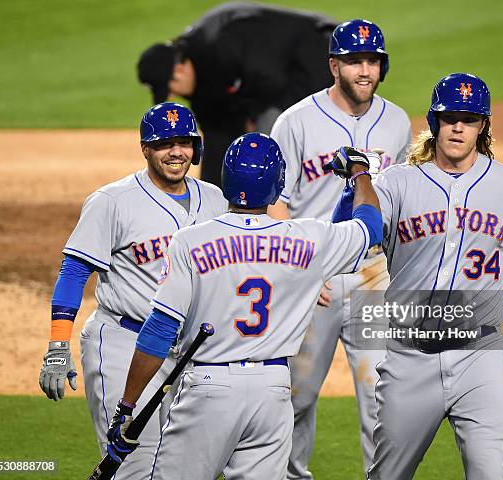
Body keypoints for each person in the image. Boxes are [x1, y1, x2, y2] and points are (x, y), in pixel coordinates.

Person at [104, 134, 383, 479]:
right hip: (273, 390)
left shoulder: (190, 241)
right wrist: (358, 174)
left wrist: (126, 406)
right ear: (278, 183)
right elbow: (367, 228)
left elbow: (160, 330)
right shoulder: (311, 240)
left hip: (207, 387)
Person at [364, 73, 503, 479]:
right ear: (435, 121)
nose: (458, 126)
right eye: (450, 116)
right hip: (409, 357)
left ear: (483, 125)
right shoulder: (395, 183)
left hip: (480, 357)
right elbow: (356, 233)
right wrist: (357, 181)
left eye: (469, 118)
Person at [38, 102, 227, 478]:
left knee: (188, 468)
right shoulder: (113, 201)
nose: (176, 152)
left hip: (191, 351)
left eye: (184, 142)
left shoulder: (216, 200)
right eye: (164, 144)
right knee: (134, 469)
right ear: (145, 148)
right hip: (126, 344)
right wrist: (58, 345)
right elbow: (75, 271)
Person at [267, 19, 411, 478]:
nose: (364, 70)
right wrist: (300, 270)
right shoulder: (296, 122)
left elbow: (406, 202)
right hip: (316, 277)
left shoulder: (398, 122)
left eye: (372, 61)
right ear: (334, 66)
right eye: (354, 62)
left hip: (374, 278)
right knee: (297, 392)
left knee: (381, 393)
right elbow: (275, 203)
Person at [137, 2, 337, 187]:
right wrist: (212, 193)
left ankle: (283, 202)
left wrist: (250, 116)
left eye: (171, 88)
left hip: (318, 54)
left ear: (179, 70)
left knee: (267, 132)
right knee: (243, 129)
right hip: (281, 77)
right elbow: (217, 137)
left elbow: (271, 80)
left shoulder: (220, 43)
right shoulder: (199, 83)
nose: (173, 96)